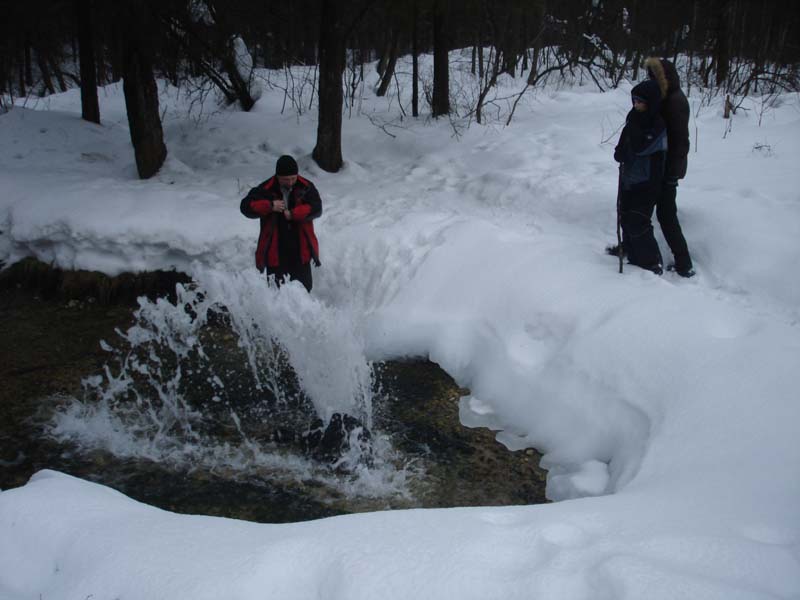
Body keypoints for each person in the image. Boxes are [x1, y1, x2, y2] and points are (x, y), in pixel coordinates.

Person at [644, 56, 695, 277]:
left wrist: (671, 174)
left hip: (667, 170)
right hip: (658, 167)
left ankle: (684, 263)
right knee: (644, 211)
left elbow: (680, 142)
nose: (650, 80)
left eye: (653, 76)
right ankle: (638, 249)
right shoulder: (666, 97)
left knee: (666, 215)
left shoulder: (675, 101)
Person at [240, 155, 321, 292]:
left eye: (293, 178)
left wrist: (294, 214)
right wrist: (270, 206)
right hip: (275, 252)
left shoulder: (306, 187)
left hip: (300, 251)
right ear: (277, 176)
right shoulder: (266, 188)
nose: (290, 182)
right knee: (276, 292)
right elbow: (246, 207)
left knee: (304, 290)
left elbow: (317, 208)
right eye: (286, 179)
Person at [612, 79, 668, 275]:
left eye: (640, 102)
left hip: (647, 181)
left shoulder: (657, 124)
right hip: (629, 178)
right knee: (625, 217)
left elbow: (642, 147)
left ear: (650, 103)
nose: (636, 105)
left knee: (638, 221)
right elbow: (622, 147)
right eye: (634, 101)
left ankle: (651, 262)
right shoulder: (633, 120)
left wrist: (632, 137)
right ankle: (631, 252)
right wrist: (620, 152)